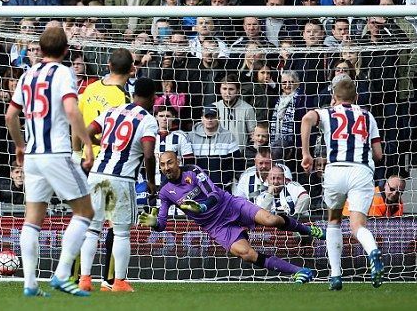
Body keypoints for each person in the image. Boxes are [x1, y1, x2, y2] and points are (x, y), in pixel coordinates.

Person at [139, 151, 325, 283]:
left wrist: (202, 206)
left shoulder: (193, 171)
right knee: (247, 254)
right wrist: (154, 223)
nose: (166, 168)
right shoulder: (164, 191)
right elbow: (162, 223)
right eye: (162, 165)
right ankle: (298, 271)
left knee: (271, 220)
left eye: (169, 162)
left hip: (229, 205)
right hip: (216, 226)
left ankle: (309, 230)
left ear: (177, 161)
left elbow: (213, 193)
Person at [5, 27, 94, 297]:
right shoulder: (65, 73)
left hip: (32, 155)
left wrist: (19, 145)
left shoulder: (27, 75)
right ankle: (62, 274)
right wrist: (87, 143)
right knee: (85, 212)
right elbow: (70, 109)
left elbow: (10, 116)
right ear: (66, 51)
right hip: (56, 153)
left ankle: (30, 283)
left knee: (32, 220)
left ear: (40, 50)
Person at [301, 78, 385, 291]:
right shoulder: (368, 116)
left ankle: (336, 275)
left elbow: (306, 118)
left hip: (335, 170)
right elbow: (378, 154)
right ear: (356, 97)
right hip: (361, 171)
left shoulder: (328, 113)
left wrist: (306, 153)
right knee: (357, 226)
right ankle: (373, 251)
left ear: (334, 98)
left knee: (334, 220)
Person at [78, 77, 158, 293]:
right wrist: (151, 181)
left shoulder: (113, 111)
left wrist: (101, 143)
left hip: (96, 176)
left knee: (92, 229)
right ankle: (119, 282)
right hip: (121, 180)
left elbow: (85, 132)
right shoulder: (148, 120)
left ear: (132, 94)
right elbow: (149, 155)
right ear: (153, 98)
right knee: (122, 233)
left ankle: (85, 279)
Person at [73, 48, 132, 160]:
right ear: (132, 69)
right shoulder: (124, 99)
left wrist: (76, 152)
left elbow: (76, 119)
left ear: (109, 65)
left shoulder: (90, 88)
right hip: (106, 161)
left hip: (86, 158)